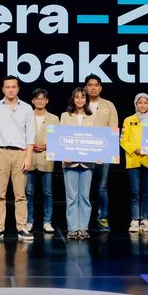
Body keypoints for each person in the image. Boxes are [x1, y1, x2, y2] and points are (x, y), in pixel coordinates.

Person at [0, 75, 35, 242]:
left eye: (14, 86)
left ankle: (21, 227)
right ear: (3, 89)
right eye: (8, 87)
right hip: (0, 152)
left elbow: (30, 136)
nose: (11, 90)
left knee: (20, 194)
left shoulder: (27, 108)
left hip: (21, 153)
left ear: (18, 88)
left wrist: (28, 157)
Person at [84, 74, 119, 232]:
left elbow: (113, 130)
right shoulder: (79, 102)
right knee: (84, 188)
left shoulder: (109, 105)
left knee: (102, 187)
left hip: (103, 154)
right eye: (90, 85)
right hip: (83, 152)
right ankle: (83, 221)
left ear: (100, 87)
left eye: (96, 85)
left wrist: (104, 152)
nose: (93, 88)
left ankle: (102, 218)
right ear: (85, 87)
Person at [60, 87, 95, 239]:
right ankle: (73, 228)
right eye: (77, 97)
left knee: (84, 197)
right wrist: (63, 154)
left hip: (88, 163)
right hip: (70, 163)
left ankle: (83, 228)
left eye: (82, 97)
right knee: (72, 197)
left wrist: (98, 155)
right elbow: (60, 138)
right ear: (73, 99)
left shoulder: (92, 117)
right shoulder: (65, 116)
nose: (80, 100)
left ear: (86, 99)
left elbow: (97, 139)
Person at [120, 92, 148, 234]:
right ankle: (135, 220)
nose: (143, 105)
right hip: (133, 160)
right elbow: (123, 140)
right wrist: (134, 149)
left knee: (147, 193)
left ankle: (145, 219)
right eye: (140, 102)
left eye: (145, 103)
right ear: (136, 104)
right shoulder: (128, 120)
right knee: (134, 192)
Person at [25, 88, 59, 234]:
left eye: (42, 98)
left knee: (48, 193)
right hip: (29, 157)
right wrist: (31, 145)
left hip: (46, 158)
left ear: (47, 101)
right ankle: (29, 221)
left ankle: (47, 221)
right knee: (29, 192)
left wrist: (47, 145)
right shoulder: (26, 116)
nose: (40, 101)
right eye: (37, 98)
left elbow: (58, 139)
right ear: (32, 101)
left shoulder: (54, 118)